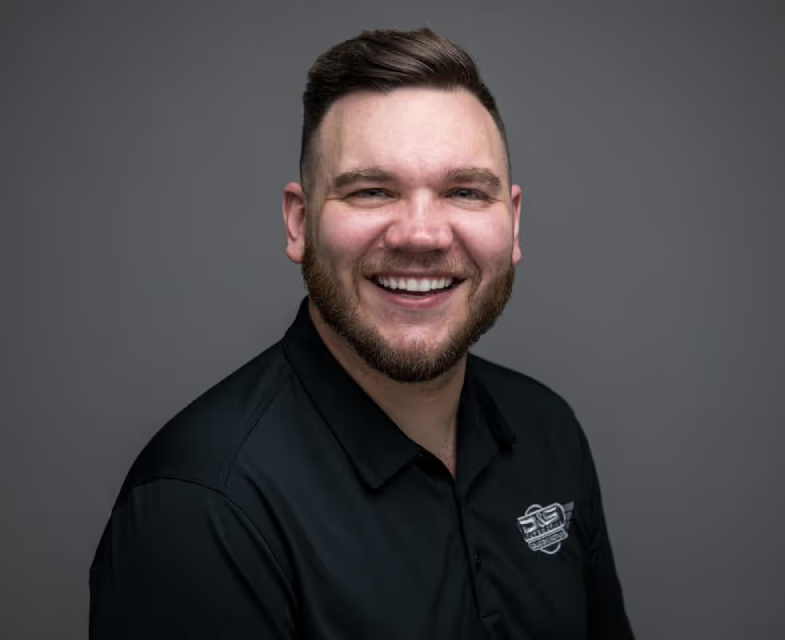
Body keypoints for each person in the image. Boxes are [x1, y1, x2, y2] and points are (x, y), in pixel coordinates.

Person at [89, 27, 634, 639]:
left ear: (511, 223)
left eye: (464, 192)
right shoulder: (200, 507)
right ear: (299, 224)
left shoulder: (548, 431)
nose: (422, 235)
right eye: (372, 191)